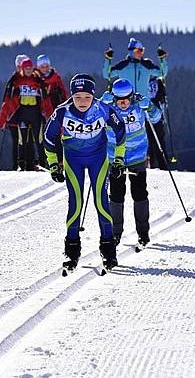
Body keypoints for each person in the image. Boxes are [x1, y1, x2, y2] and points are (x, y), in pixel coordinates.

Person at [44, 74, 125, 273]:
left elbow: (120, 129)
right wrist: (54, 164)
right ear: (71, 96)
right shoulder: (62, 111)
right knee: (76, 202)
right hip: (73, 160)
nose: (82, 102)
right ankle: (71, 250)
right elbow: (48, 137)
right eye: (78, 97)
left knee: (101, 201)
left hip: (98, 158)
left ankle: (108, 249)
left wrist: (119, 159)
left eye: (87, 97)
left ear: (93, 96)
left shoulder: (102, 108)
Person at [103, 79, 161, 248]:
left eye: (126, 99)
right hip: (115, 158)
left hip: (137, 157)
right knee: (116, 196)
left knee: (140, 194)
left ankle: (143, 233)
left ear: (131, 97)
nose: (123, 103)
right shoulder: (107, 108)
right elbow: (90, 118)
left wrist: (148, 105)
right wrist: (100, 102)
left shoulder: (138, 106)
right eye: (119, 100)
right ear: (114, 98)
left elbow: (157, 118)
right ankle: (115, 233)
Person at [0, 57, 52, 171]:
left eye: (30, 68)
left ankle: (43, 163)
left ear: (33, 68)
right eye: (26, 68)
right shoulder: (16, 81)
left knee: (39, 140)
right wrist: (2, 120)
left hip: (36, 114)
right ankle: (21, 165)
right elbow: (7, 101)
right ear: (22, 69)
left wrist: (50, 115)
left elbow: (46, 101)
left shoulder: (37, 80)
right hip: (22, 114)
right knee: (22, 141)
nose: (28, 70)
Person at [103, 38, 168, 98]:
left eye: (142, 50)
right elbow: (107, 75)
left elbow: (162, 74)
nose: (140, 53)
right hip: (127, 103)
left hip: (143, 103)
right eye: (137, 51)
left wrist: (162, 59)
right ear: (131, 52)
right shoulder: (123, 65)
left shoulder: (146, 65)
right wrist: (108, 60)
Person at [145, 76, 169, 170]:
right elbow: (163, 100)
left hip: (148, 115)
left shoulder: (143, 80)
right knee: (158, 141)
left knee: (150, 141)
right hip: (156, 115)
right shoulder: (158, 82)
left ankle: (153, 164)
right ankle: (162, 164)